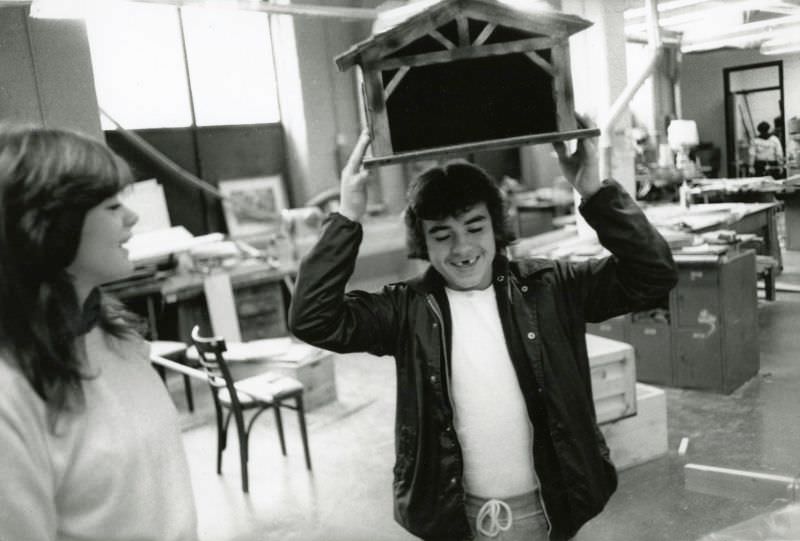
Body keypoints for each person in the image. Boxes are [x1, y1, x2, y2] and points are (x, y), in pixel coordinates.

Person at [289, 124, 678, 541]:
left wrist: (596, 193)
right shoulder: (406, 310)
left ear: (496, 228)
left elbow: (653, 276)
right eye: (442, 235)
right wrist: (347, 217)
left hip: (547, 508)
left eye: (475, 228)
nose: (462, 248)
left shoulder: (551, 287)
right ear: (423, 241)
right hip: (458, 517)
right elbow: (312, 318)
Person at [0, 125, 198, 540]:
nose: (132, 216)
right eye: (111, 206)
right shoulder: (11, 392)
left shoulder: (118, 339)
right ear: (49, 228)